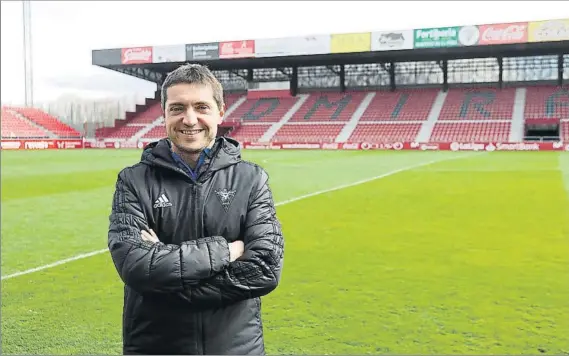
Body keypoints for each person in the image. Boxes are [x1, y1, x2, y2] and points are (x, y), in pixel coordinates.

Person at [107, 63, 285, 355]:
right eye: (177, 108)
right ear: (163, 113)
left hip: (236, 349)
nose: (190, 119)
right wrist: (225, 252)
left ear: (220, 112)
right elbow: (136, 267)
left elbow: (264, 269)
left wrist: (165, 278)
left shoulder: (252, 180)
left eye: (201, 107)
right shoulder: (133, 181)